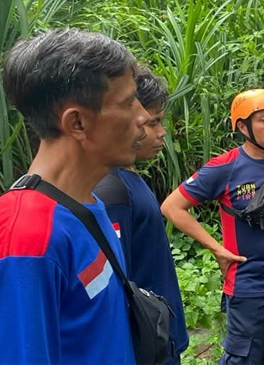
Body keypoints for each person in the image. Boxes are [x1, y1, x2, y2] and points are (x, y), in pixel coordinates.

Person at [0, 29, 149, 363]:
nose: (143, 115)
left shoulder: (86, 203)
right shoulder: (24, 241)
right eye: (128, 102)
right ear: (77, 123)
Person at [161, 89, 264, 364]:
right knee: (243, 358)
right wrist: (216, 248)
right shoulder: (224, 168)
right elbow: (171, 207)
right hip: (250, 285)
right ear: (242, 126)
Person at [93, 65, 188, 364]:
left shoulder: (129, 178)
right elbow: (118, 286)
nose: (161, 132)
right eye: (153, 121)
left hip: (162, 333)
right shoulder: (112, 191)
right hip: (148, 343)